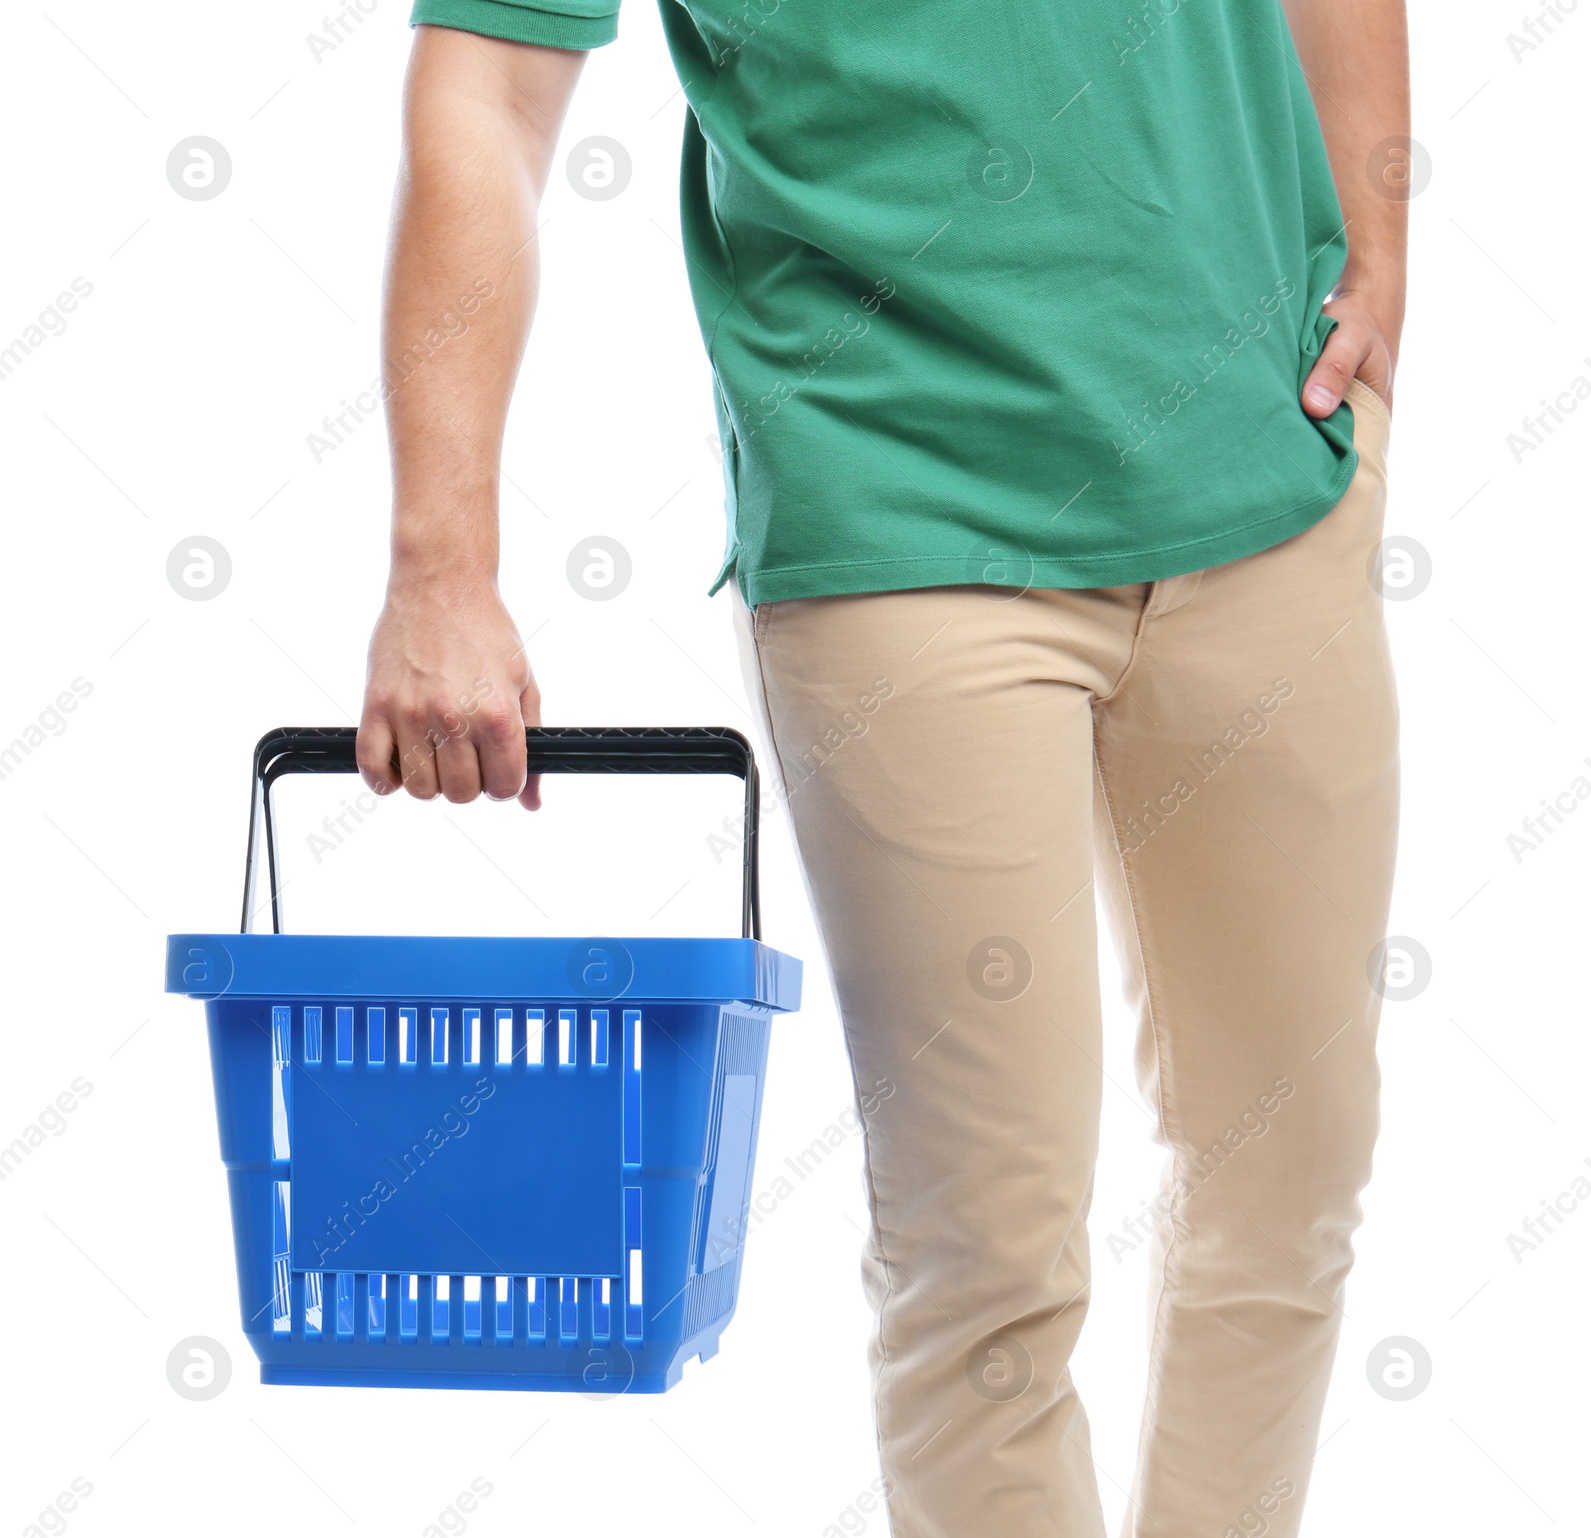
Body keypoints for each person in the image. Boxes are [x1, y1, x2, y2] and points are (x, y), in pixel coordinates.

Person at [355, 0, 1409, 1531]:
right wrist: (439, 563)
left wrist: (1376, 253)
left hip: (1267, 475)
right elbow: (490, 98)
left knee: (1294, 1182)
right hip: (903, 517)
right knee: (985, 1253)